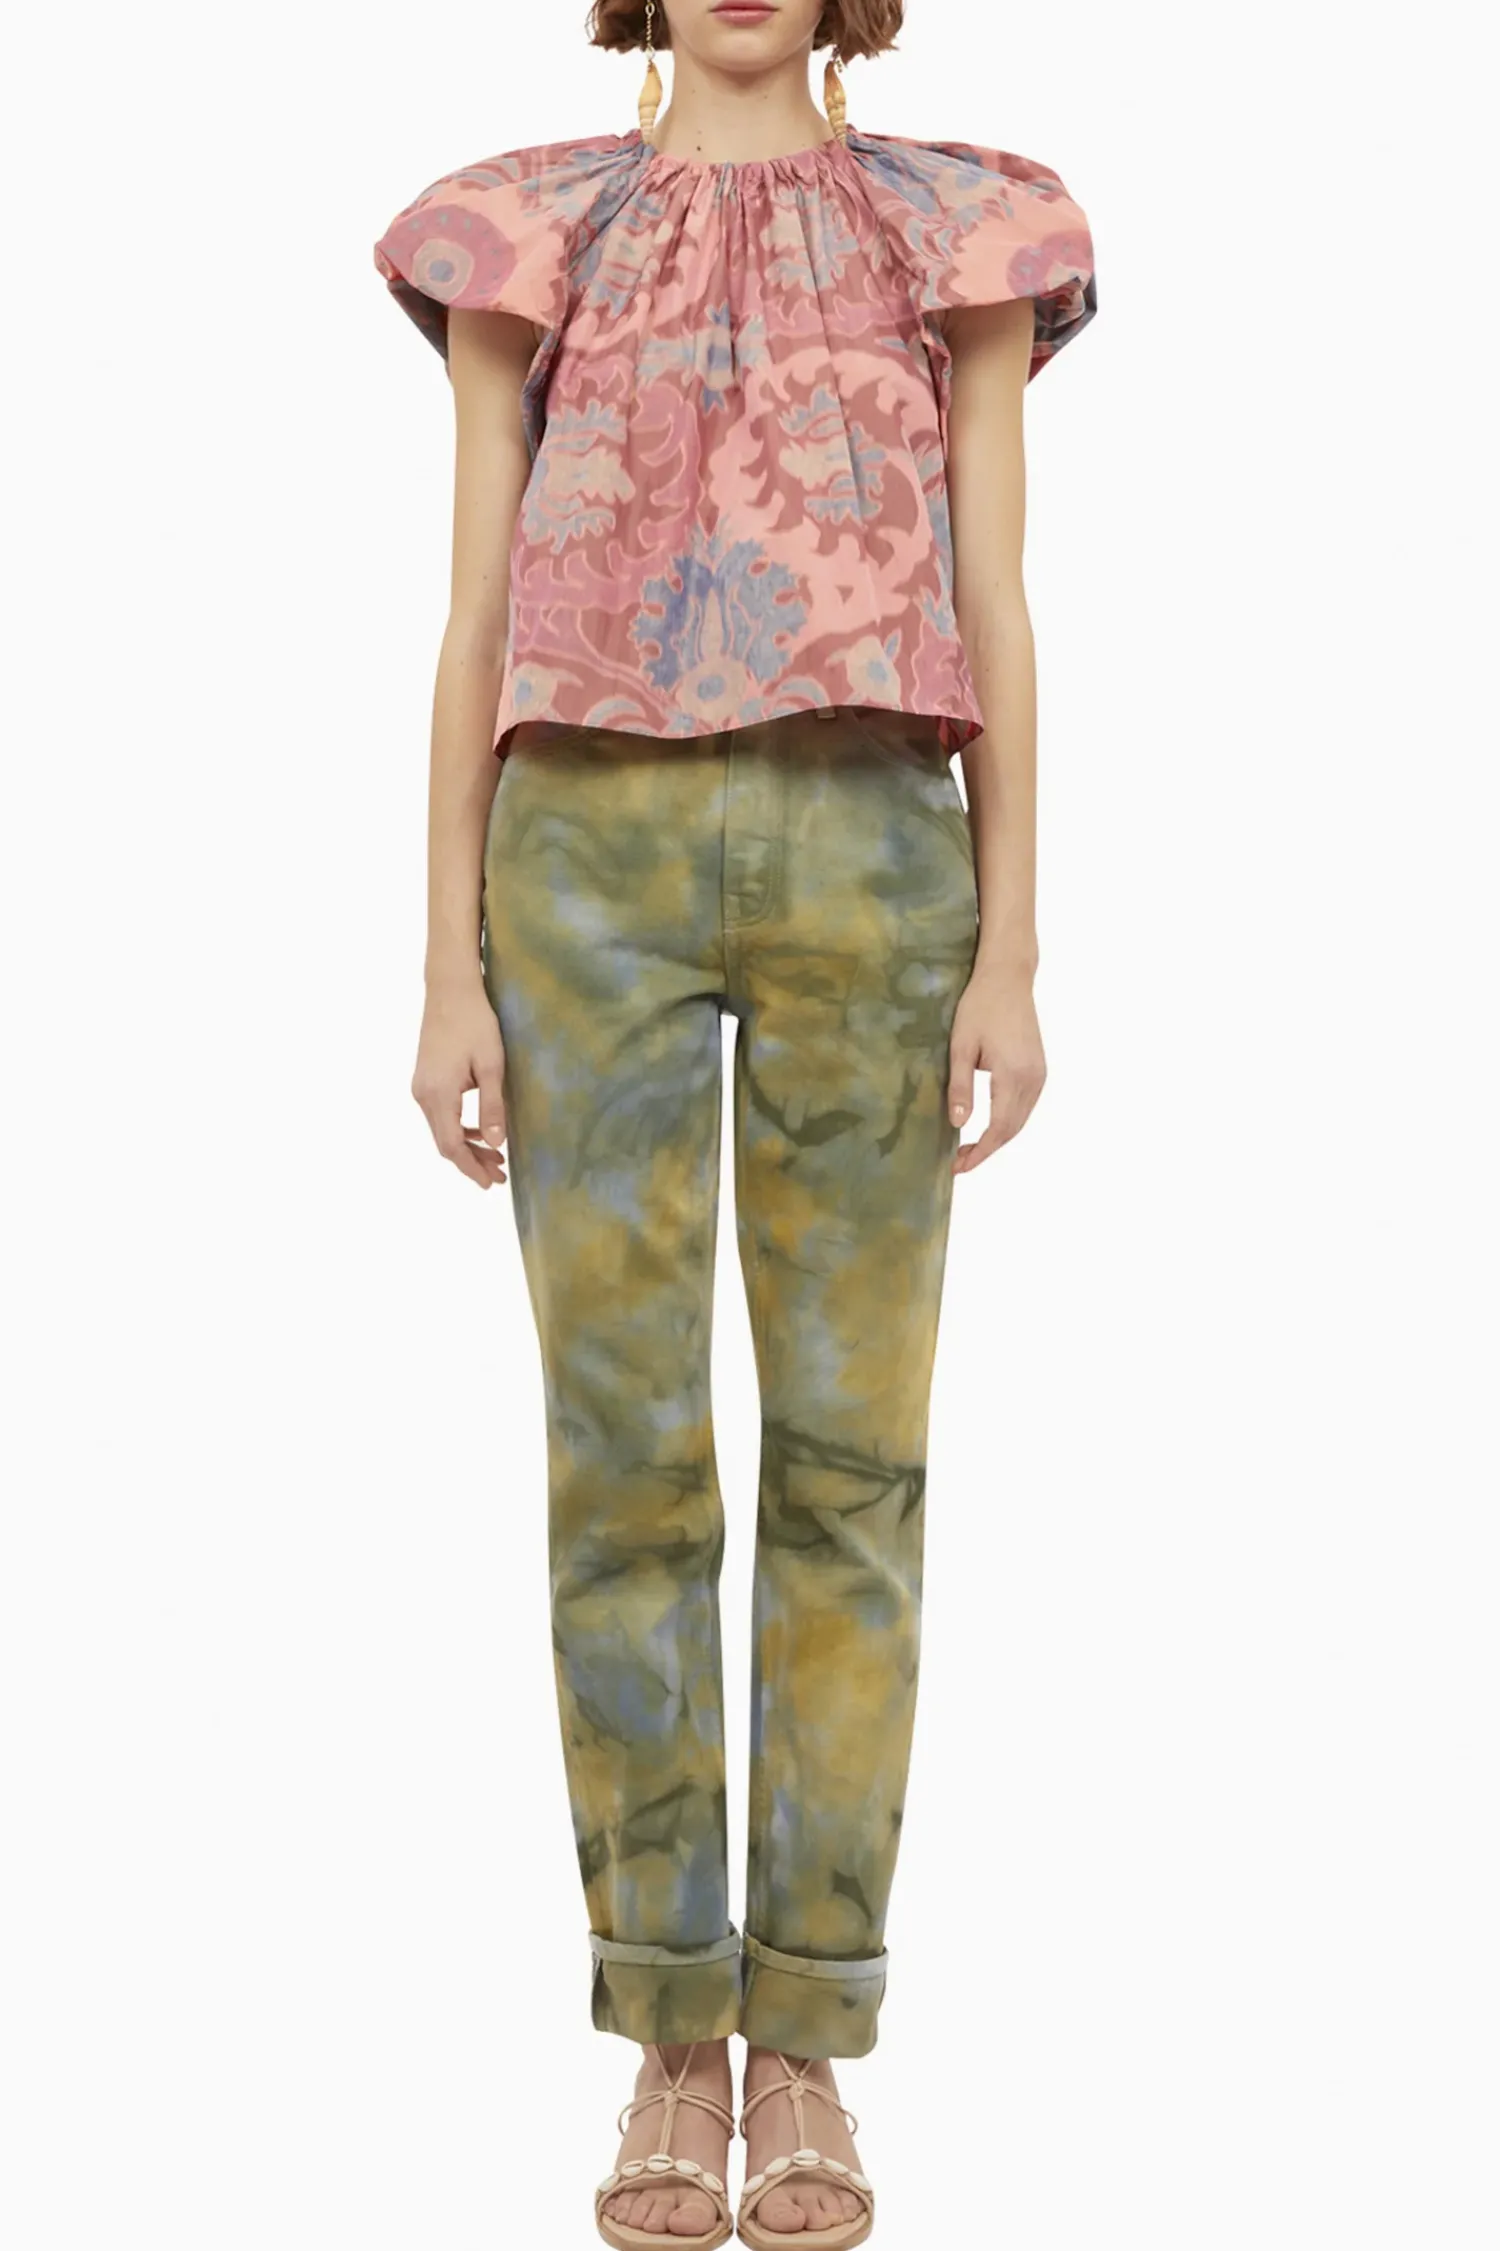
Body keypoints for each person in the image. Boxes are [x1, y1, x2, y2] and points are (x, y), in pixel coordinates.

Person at [373, 1, 1095, 2241]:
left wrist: (1012, 947)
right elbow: (474, 613)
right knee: (625, 1463)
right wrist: (444, 963)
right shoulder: (527, 232)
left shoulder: (958, 230)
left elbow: (998, 598)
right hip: (578, 867)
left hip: (874, 856)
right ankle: (668, 2034)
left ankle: (813, 2049)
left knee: (855, 1470)